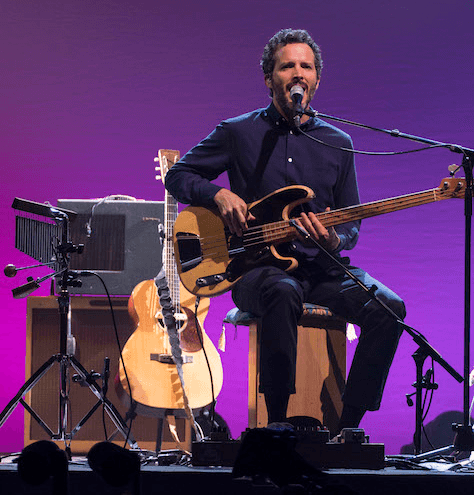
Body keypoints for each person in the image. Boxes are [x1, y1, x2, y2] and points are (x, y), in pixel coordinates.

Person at [164, 28, 404, 432]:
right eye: (287, 65)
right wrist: (218, 196)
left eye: (305, 66)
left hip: (322, 270)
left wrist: (333, 238)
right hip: (253, 270)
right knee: (282, 290)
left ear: (317, 79)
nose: (297, 73)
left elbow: (350, 222)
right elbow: (179, 175)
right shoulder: (238, 132)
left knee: (389, 308)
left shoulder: (338, 141)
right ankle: (277, 423)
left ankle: (347, 426)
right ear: (268, 78)